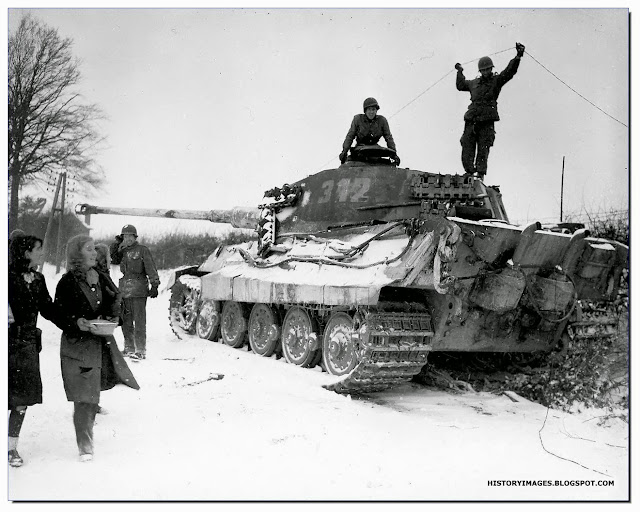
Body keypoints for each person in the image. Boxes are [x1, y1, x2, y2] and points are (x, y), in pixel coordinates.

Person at [54, 235, 139, 462]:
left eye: (94, 249)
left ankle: (86, 437)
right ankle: (85, 444)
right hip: (76, 345)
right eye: (89, 249)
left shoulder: (101, 277)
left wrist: (113, 317)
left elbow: (115, 300)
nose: (95, 253)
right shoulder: (67, 282)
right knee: (82, 396)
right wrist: (76, 322)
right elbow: (58, 314)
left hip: (99, 342)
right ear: (77, 255)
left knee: (92, 395)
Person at [8, 235, 61, 467]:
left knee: (21, 399)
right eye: (39, 249)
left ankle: (11, 448)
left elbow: (49, 309)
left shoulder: (38, 279)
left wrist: (75, 321)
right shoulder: (6, 277)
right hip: (6, 345)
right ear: (27, 252)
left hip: (27, 346)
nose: (43, 252)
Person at [455, 42, 525, 179]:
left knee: (483, 147)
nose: (486, 72)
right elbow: (460, 85)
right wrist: (459, 71)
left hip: (486, 121)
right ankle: (469, 172)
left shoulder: (496, 81)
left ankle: (480, 175)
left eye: (488, 69)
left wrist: (518, 56)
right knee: (467, 144)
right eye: (483, 70)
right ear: (480, 71)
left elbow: (509, 72)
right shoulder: (474, 84)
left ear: (491, 69)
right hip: (472, 119)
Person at [109, 225, 160, 360]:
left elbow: (150, 267)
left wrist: (154, 284)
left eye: (130, 236)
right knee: (126, 322)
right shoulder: (122, 251)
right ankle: (128, 348)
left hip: (139, 290)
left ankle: (140, 350)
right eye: (125, 236)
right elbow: (112, 258)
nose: (128, 239)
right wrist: (117, 244)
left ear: (135, 237)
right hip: (124, 291)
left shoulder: (142, 250)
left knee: (139, 322)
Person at [340, 97, 399, 165]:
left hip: (375, 150)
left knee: (385, 163)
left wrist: (394, 153)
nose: (371, 112)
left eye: (373, 109)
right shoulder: (358, 119)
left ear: (376, 110)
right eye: (369, 109)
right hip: (360, 150)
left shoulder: (382, 121)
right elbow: (350, 136)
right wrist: (344, 151)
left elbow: (388, 138)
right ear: (365, 111)